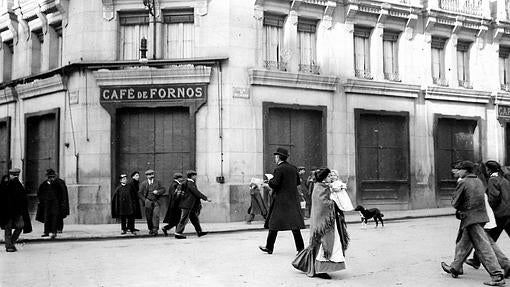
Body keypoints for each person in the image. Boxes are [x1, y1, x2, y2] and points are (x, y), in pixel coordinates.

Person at [441, 161, 506, 286]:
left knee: (483, 247)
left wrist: (457, 203)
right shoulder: (478, 181)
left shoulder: (463, 182)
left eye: (459, 169)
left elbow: (455, 202)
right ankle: (455, 267)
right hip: (480, 217)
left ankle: (497, 275)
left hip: (471, 218)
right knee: (463, 243)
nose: (457, 171)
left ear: (465, 170)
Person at [292, 168, 350, 279]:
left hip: (325, 221)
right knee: (323, 244)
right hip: (323, 223)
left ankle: (314, 266)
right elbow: (323, 204)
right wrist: (335, 202)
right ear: (323, 178)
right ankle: (321, 269)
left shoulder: (323, 187)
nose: (330, 178)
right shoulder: (319, 188)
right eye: (328, 176)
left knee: (322, 244)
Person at [259, 147, 305, 255]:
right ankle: (301, 248)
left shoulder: (279, 169)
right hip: (292, 200)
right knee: (295, 226)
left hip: (280, 200)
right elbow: (298, 182)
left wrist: (270, 180)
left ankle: (269, 247)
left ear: (278, 157)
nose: (275, 159)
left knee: (274, 224)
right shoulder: (293, 168)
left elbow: (275, 184)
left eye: (275, 157)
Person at [467, 160, 510, 270]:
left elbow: (493, 198)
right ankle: (476, 260)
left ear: (488, 170)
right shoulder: (504, 179)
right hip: (507, 213)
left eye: (486, 169)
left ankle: (504, 265)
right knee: (487, 238)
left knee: (487, 239)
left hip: (499, 215)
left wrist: (488, 211)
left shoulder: (493, 180)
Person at [0, 168, 32, 252]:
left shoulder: (14, 184)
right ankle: (10, 245)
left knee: (15, 227)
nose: (14, 176)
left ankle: (10, 244)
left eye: (15, 175)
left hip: (13, 212)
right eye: (14, 175)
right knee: (13, 227)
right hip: (12, 211)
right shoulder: (9, 184)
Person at [174, 170, 211, 239]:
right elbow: (196, 192)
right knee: (184, 219)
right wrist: (206, 198)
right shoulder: (190, 183)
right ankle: (178, 233)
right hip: (187, 204)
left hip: (190, 205)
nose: (196, 177)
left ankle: (199, 231)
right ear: (192, 176)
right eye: (195, 175)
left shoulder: (188, 182)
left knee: (194, 219)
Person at [35, 169, 68, 239]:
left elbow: (63, 194)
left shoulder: (59, 183)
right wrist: (42, 200)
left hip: (56, 203)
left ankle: (54, 232)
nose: (51, 178)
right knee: (47, 217)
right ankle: (46, 232)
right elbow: (40, 193)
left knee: (55, 217)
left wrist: (62, 203)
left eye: (52, 177)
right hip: (47, 203)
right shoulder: (44, 184)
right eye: (49, 177)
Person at [138, 169, 166, 236]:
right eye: (149, 175)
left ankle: (155, 229)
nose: (151, 176)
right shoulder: (144, 183)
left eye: (152, 174)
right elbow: (139, 193)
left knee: (156, 215)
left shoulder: (158, 182)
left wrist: (158, 192)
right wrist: (145, 200)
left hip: (156, 201)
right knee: (149, 216)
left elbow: (163, 189)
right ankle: (151, 229)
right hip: (148, 202)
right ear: (146, 176)